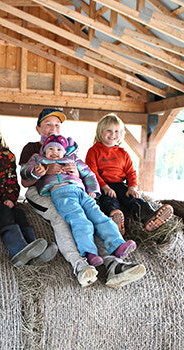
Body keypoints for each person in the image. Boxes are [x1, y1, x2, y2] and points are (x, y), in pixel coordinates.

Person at [20, 108, 146, 288]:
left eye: (57, 125)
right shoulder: (33, 149)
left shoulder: (67, 150)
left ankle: (112, 263)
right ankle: (79, 265)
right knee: (64, 219)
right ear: (38, 128)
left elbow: (86, 174)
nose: (53, 128)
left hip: (72, 189)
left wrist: (78, 175)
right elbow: (25, 181)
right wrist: (46, 170)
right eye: (48, 124)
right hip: (43, 191)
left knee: (90, 217)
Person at [21, 133, 137, 268]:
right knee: (80, 220)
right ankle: (89, 253)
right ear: (44, 150)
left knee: (99, 217)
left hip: (81, 192)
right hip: (61, 194)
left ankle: (117, 244)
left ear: (64, 151)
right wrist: (39, 171)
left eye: (59, 149)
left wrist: (92, 189)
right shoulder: (39, 160)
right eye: (51, 149)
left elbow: (88, 173)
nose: (54, 152)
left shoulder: (72, 160)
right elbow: (25, 172)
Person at [0, 117, 56, 267]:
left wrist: (11, 198)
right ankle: (17, 250)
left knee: (19, 213)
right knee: (3, 212)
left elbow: (12, 180)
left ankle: (34, 249)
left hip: (1, 198)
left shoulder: (7, 156)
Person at [85, 113, 173, 235]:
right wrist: (104, 187)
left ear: (121, 134)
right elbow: (91, 173)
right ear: (100, 132)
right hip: (101, 186)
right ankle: (115, 219)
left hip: (120, 185)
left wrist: (132, 187)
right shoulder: (93, 151)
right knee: (109, 201)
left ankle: (149, 217)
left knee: (133, 199)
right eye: (109, 130)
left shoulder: (123, 153)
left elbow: (131, 172)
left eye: (117, 131)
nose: (113, 134)